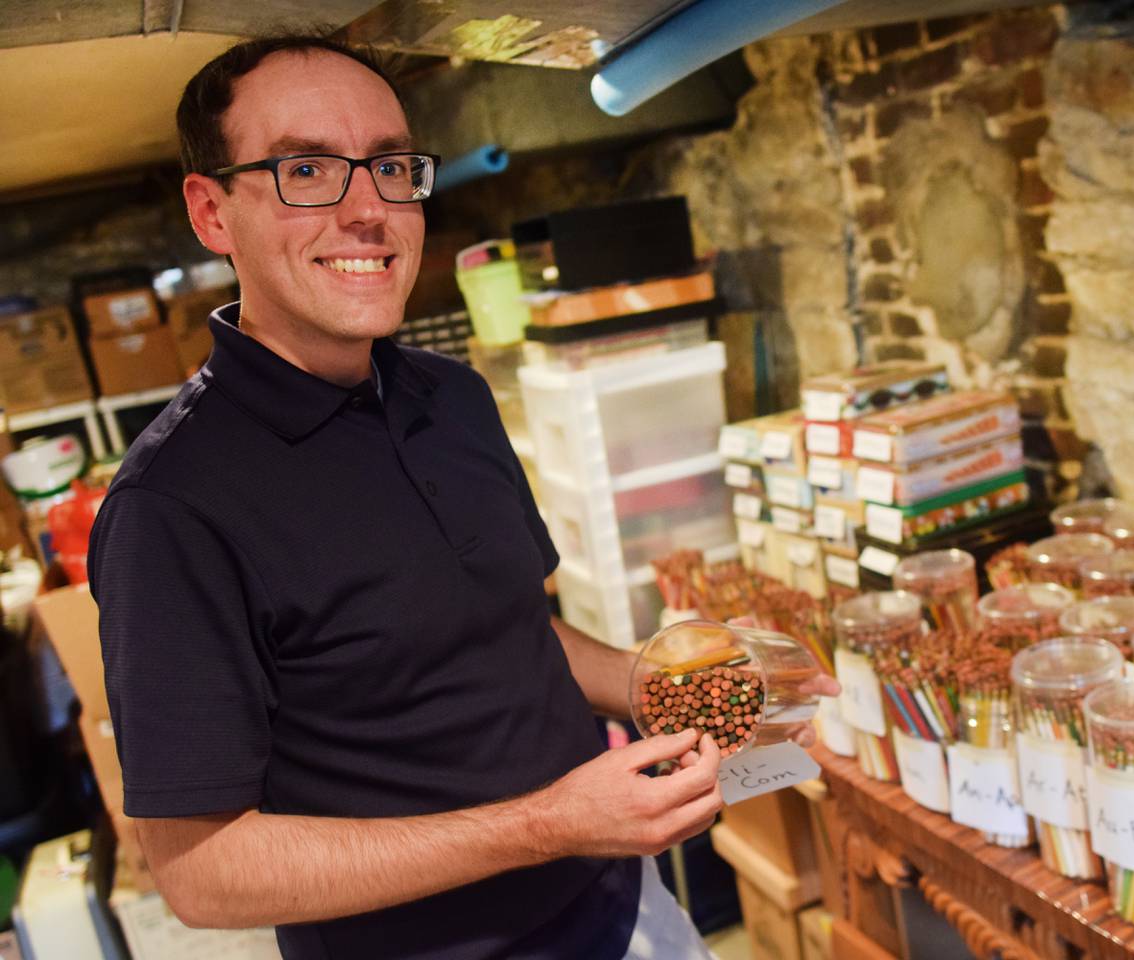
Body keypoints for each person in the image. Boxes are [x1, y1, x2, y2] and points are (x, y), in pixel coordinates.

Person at [88, 34, 836, 959]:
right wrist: (550, 824)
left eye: (392, 166)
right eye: (307, 168)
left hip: (624, 908)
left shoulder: (453, 396)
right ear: (211, 211)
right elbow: (202, 872)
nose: (370, 209)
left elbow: (513, 631)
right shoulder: (171, 508)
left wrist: (675, 683)